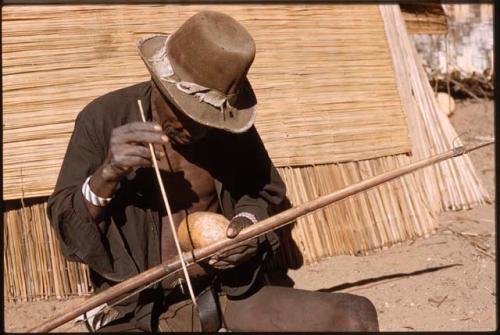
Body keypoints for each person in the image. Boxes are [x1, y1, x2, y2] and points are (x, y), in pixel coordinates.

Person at [48, 11, 379, 332]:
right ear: (160, 83)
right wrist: (107, 175)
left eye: (206, 118)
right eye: (185, 113)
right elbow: (67, 224)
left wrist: (248, 228)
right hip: (137, 308)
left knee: (355, 316)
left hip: (224, 291)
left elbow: (262, 191)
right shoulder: (102, 119)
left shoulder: (226, 124)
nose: (196, 130)